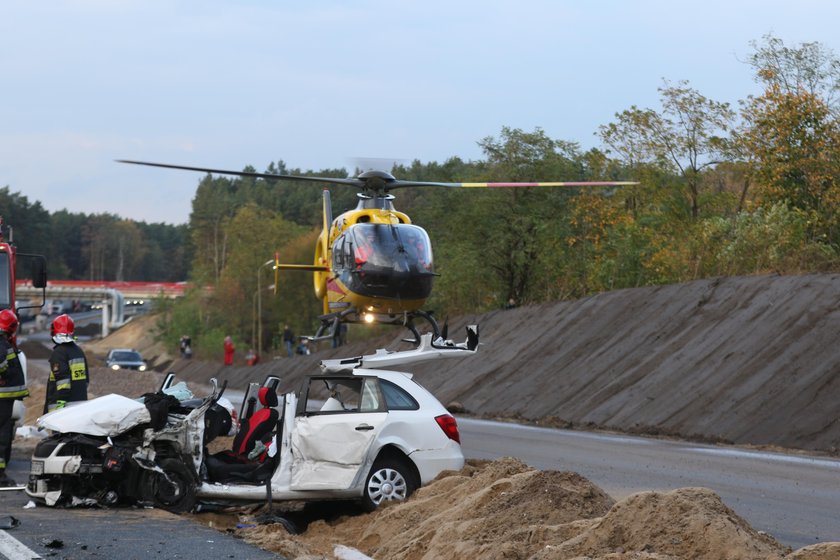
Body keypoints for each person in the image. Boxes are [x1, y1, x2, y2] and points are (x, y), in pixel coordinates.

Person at [0, 309, 27, 487]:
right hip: (3, 396)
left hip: (5, 396)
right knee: (2, 435)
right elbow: (1, 363)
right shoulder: (1, 342)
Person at [45, 314, 90, 414]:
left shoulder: (59, 352)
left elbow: (63, 382)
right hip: (80, 406)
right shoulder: (78, 351)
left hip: (62, 410)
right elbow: (86, 381)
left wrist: (60, 406)